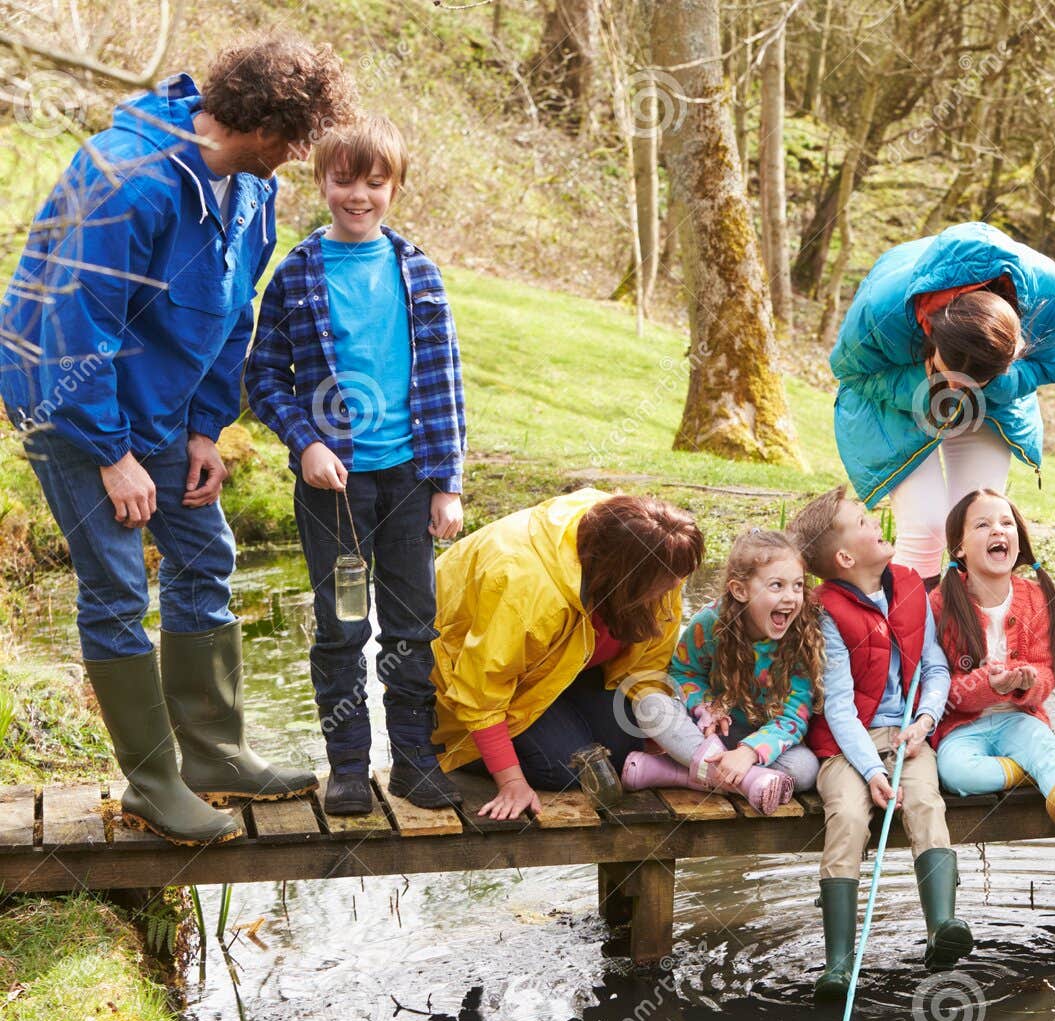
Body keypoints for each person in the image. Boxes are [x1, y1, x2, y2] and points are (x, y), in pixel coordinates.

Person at [0, 37, 357, 845]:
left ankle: (214, 751)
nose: (300, 156)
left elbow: (231, 318)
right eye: (297, 139)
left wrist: (205, 428)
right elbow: (71, 321)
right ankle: (153, 782)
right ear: (265, 124)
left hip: (160, 406)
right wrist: (111, 454)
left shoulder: (250, 192)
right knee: (120, 588)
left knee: (206, 557)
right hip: (71, 403)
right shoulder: (125, 177)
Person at [246, 116, 467, 816]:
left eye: (376, 183)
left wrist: (448, 482)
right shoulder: (299, 274)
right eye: (345, 181)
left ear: (396, 187)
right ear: (321, 180)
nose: (359, 196)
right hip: (332, 485)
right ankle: (347, 766)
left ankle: (412, 760)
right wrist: (304, 441)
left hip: (408, 478)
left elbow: (446, 381)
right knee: (342, 624)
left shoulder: (418, 272)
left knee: (412, 625)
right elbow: (264, 375)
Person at [787, 485, 967, 1001]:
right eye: (864, 522)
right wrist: (871, 771)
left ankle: (942, 928)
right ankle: (839, 964)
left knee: (926, 803)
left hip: (908, 735)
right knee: (846, 816)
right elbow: (839, 709)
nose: (876, 523)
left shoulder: (911, 585)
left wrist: (926, 719)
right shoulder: (824, 612)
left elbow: (934, 665)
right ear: (845, 557)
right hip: (848, 746)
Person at [431, 489, 704, 821]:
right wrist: (512, 782)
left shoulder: (660, 565)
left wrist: (661, 732)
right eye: (667, 583)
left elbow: (647, 668)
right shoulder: (531, 592)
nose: (675, 589)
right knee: (566, 772)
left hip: (559, 668)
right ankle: (466, 751)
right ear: (625, 578)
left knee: (622, 751)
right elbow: (479, 691)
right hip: (457, 682)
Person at [830, 222, 1055, 584]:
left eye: (978, 378)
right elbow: (851, 372)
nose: (959, 389)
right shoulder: (882, 310)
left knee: (978, 526)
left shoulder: (1047, 293)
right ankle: (910, 636)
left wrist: (994, 386)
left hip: (994, 405)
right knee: (926, 526)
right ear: (929, 334)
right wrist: (925, 382)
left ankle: (968, 634)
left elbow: (1050, 362)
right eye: (951, 374)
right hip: (897, 399)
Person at [931, 489, 1055, 884]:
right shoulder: (942, 603)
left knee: (1040, 745)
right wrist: (988, 684)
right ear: (959, 547)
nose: (998, 530)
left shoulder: (1034, 597)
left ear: (1017, 538)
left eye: (1006, 523)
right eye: (983, 524)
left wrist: (1025, 682)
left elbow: (1048, 674)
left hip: (1019, 720)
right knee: (956, 773)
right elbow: (942, 687)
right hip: (962, 727)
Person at [620, 529, 822, 815]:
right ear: (739, 590)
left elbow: (794, 716)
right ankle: (747, 783)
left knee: (804, 770)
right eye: (776, 585)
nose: (791, 597)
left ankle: (672, 773)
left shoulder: (800, 639)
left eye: (798, 585)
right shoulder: (710, 623)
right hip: (709, 735)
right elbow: (682, 673)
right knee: (650, 705)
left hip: (758, 743)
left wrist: (748, 752)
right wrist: (706, 707)